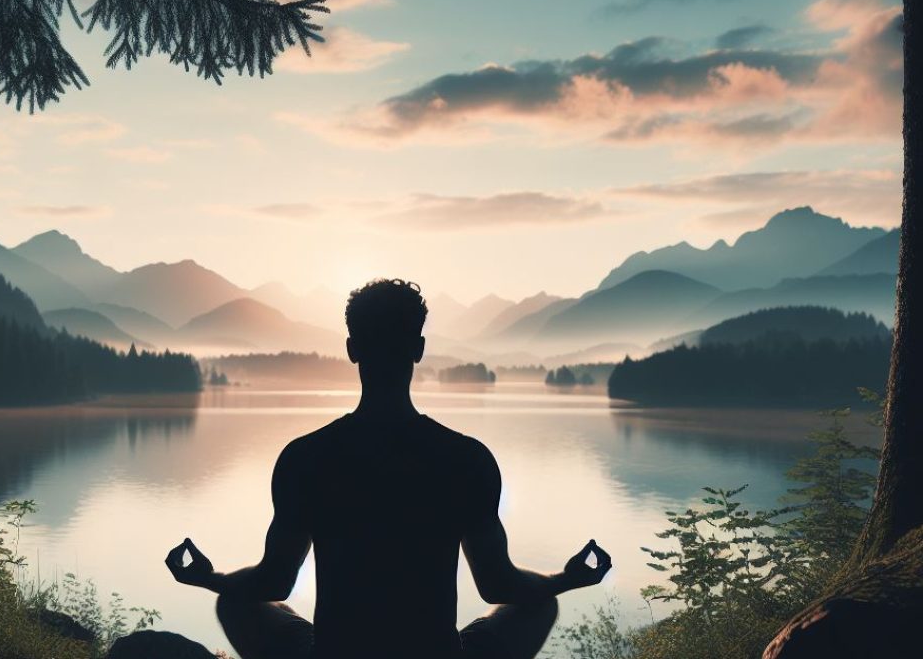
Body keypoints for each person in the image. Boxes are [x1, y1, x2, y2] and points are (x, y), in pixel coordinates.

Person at [165, 279, 612, 659]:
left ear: (352, 349)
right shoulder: (466, 459)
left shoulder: (306, 457)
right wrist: (566, 580)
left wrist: (209, 578)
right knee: (540, 605)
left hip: (336, 653)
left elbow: (274, 581)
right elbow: (498, 586)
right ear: (418, 350)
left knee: (234, 602)